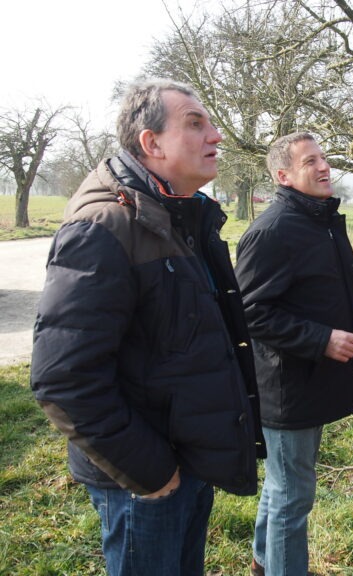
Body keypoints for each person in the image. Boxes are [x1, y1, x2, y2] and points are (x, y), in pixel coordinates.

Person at [30, 79, 267, 576]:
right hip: (144, 480)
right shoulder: (104, 229)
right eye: (195, 124)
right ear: (151, 143)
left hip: (188, 462)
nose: (217, 136)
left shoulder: (184, 217)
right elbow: (63, 379)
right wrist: (153, 473)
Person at [234, 131, 353, 576]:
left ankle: (264, 561)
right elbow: (249, 312)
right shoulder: (274, 230)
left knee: (284, 488)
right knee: (292, 495)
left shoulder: (317, 221)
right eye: (310, 161)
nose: (324, 167)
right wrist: (321, 339)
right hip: (287, 388)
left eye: (324, 158)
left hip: (309, 381)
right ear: (283, 176)